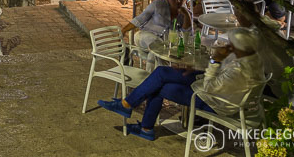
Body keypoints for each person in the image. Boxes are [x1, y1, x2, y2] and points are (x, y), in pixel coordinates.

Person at [98, 28, 264, 140]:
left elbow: (209, 86)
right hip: (218, 92)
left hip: (215, 102)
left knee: (161, 86)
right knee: (162, 73)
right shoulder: (252, 59)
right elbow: (221, 78)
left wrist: (215, 61)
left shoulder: (240, 69)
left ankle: (136, 116)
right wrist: (196, 70)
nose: (229, 46)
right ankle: (135, 114)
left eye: (232, 43)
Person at [121, 0, 192, 66]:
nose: (178, 1)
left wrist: (187, 15)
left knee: (154, 55)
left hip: (164, 46)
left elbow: (187, 34)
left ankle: (152, 77)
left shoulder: (185, 13)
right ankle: (164, 74)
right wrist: (124, 30)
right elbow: (139, 19)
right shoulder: (158, 5)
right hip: (144, 37)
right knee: (157, 45)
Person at [234, 0, 292, 97]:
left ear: (243, 16)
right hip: (289, 76)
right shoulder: (265, 22)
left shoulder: (255, 33)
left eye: (237, 16)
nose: (237, 19)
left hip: (278, 85)